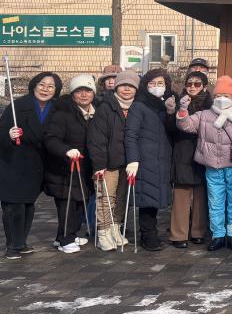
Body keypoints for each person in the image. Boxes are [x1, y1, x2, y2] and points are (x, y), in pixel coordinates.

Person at [177, 75, 232, 251]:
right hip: (212, 166)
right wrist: (183, 110)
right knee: (215, 202)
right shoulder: (205, 115)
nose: (221, 99)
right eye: (218, 95)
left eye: (226, 96)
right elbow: (185, 125)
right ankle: (218, 235)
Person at [0, 72, 62, 259]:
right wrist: (9, 135)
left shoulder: (57, 108)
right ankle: (12, 245)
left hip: (38, 165)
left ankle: (21, 242)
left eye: (50, 86)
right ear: (34, 85)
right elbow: (2, 131)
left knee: (28, 204)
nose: (45, 89)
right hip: (15, 162)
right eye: (41, 85)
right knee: (14, 205)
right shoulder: (18, 106)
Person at [87, 70, 141, 251]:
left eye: (131, 86)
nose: (127, 89)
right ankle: (103, 232)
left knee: (121, 198)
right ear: (116, 87)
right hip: (108, 163)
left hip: (127, 163)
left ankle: (115, 228)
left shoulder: (137, 108)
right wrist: (99, 164)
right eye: (123, 85)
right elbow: (97, 138)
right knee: (105, 198)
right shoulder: (106, 107)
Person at [43, 74, 97, 254]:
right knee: (68, 205)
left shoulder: (96, 112)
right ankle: (66, 239)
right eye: (79, 91)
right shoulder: (63, 114)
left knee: (82, 201)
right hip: (65, 169)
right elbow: (51, 139)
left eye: (88, 90)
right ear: (72, 94)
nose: (84, 95)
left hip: (86, 167)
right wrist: (66, 150)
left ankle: (65, 236)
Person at [124, 68, 177, 251]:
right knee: (146, 199)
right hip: (145, 159)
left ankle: (151, 233)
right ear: (145, 86)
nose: (156, 87)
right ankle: (148, 235)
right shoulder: (139, 106)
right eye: (152, 83)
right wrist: (133, 159)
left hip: (162, 159)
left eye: (160, 83)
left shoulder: (167, 104)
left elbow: (172, 130)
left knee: (155, 198)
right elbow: (130, 134)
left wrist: (171, 112)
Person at [167, 71, 212, 249]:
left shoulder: (211, 104)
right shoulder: (178, 101)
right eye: (189, 83)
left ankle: (198, 231)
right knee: (181, 194)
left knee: (201, 194)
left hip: (204, 151)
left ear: (205, 87)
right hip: (183, 150)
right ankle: (179, 234)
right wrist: (172, 112)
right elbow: (170, 129)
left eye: (197, 84)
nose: (192, 87)